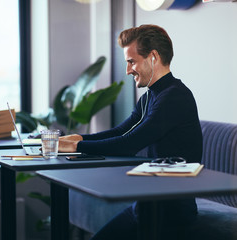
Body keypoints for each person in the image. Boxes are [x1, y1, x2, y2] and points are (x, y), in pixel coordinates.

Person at [59, 24, 203, 240]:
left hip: (171, 211)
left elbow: (129, 143)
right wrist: (78, 138)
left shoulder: (175, 97)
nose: (128, 70)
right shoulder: (149, 98)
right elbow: (121, 131)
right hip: (148, 203)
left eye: (131, 61)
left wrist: (77, 146)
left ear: (153, 57)